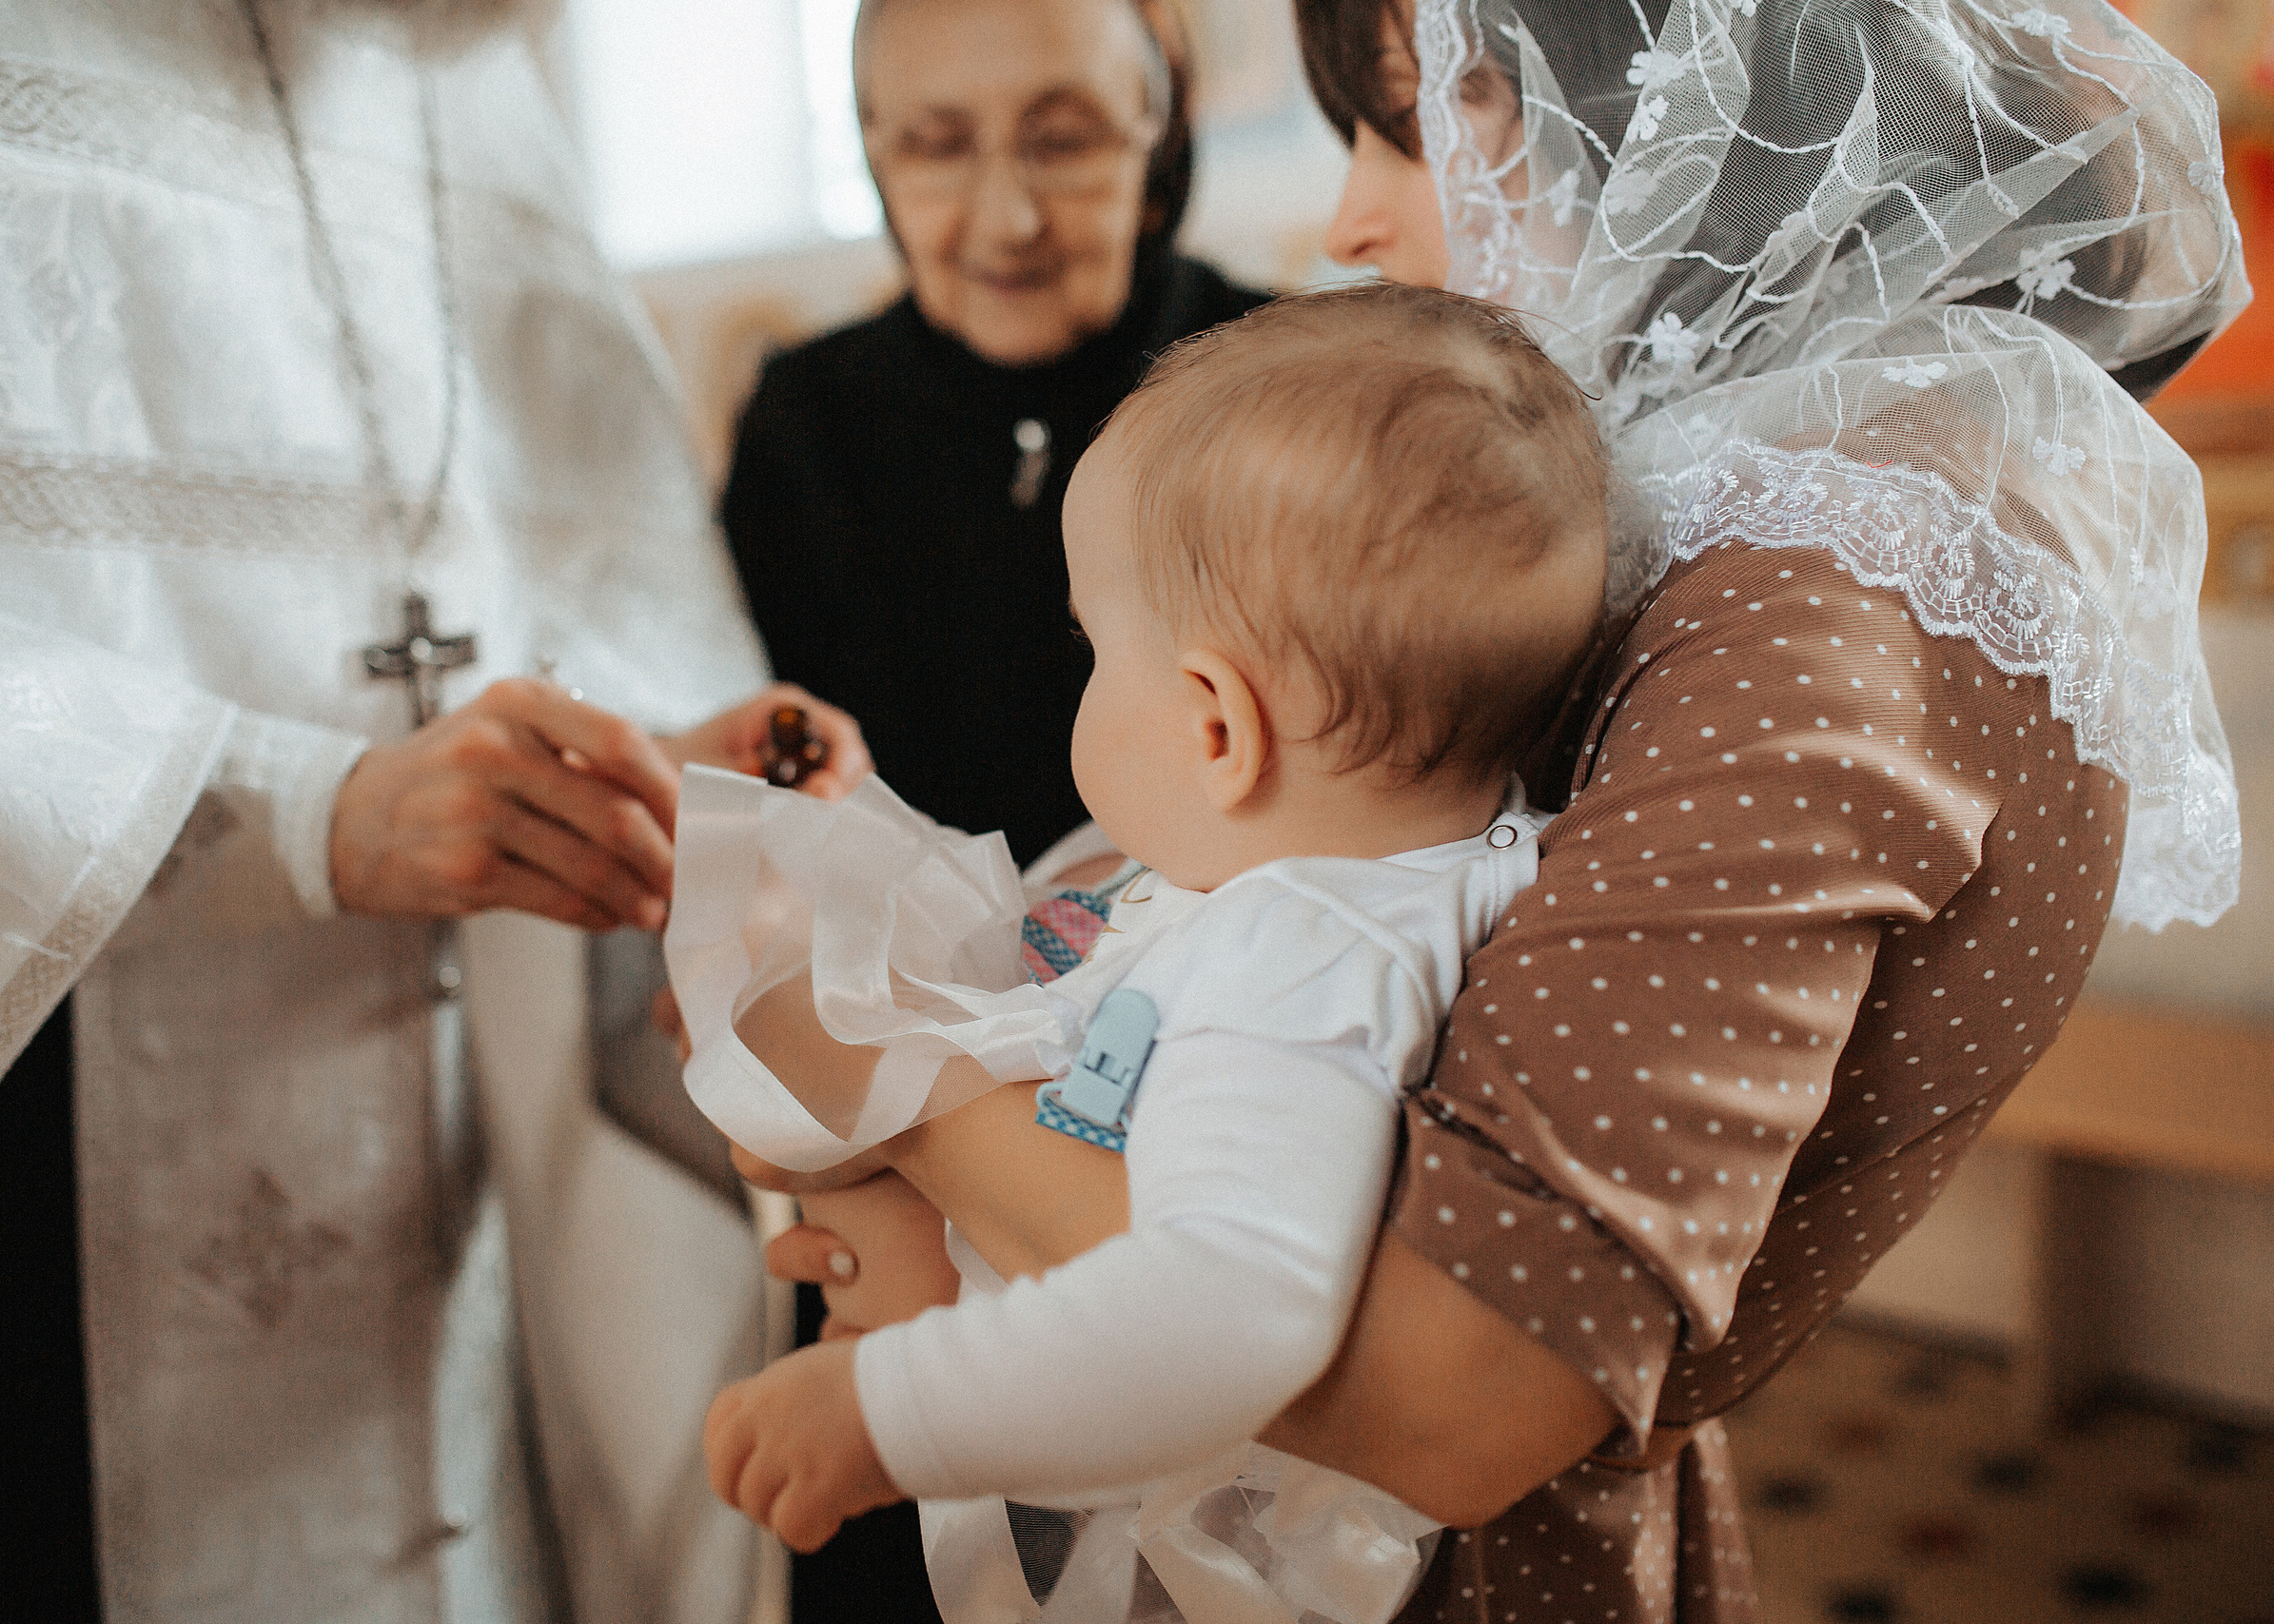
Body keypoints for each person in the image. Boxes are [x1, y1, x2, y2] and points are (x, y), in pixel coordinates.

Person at [742, 0, 2249, 1618]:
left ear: (1665, 115)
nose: (1355, 220)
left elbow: (1448, 1396)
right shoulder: (1730, 502)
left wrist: (887, 1076)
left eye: (1414, 127)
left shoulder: (1820, 611)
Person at [0, 3, 863, 1620]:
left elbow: (577, 560)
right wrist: (300, 811)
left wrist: (655, 758)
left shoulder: (464, 71)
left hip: (476, 1102)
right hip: (45, 1114)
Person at [688, 284, 1608, 1620]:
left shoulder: (1302, 955)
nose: (1079, 673)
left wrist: (879, 1409)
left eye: (1094, 643)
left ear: (1217, 725)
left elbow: (1226, 1306)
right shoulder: (1336, 871)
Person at [722, 0, 1271, 873]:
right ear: (874, 154)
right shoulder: (806, 422)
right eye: (937, 146)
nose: (1010, 220)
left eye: (1061, 142)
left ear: (1159, 135)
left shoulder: (1292, 388)